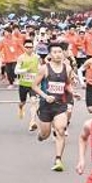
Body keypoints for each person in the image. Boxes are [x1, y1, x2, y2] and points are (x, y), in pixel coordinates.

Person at [31, 42, 75, 172]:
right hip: (46, 106)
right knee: (46, 134)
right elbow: (34, 86)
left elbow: (67, 84)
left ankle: (58, 159)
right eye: (55, 52)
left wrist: (72, 92)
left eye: (60, 52)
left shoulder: (67, 68)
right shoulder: (44, 69)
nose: (58, 55)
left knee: (60, 130)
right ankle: (41, 135)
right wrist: (45, 96)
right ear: (50, 54)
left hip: (60, 105)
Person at [15, 39, 40, 131]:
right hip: (23, 84)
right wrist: (26, 70)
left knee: (33, 101)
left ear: (33, 48)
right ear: (24, 48)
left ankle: (32, 122)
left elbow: (39, 68)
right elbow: (16, 71)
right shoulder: (21, 58)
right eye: (27, 47)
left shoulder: (37, 57)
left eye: (31, 47)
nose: (29, 49)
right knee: (23, 102)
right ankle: (21, 107)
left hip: (33, 84)